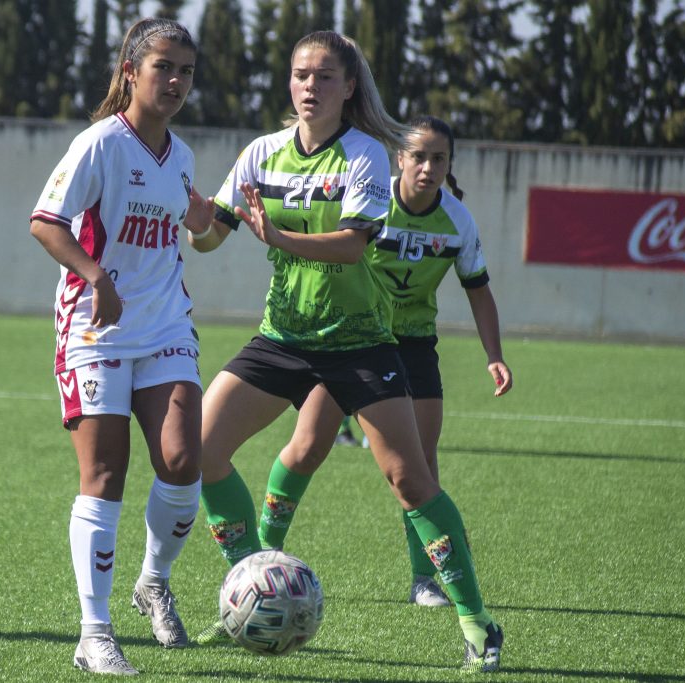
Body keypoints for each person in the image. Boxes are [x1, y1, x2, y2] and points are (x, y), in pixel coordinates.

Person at [185, 31, 504, 673]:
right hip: (282, 337)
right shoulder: (261, 153)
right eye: (301, 75)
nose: (310, 86)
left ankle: (478, 624)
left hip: (359, 345)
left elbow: (355, 246)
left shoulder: (363, 155)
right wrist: (171, 187)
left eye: (325, 77)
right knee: (198, 450)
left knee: (410, 481)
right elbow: (209, 238)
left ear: (349, 87)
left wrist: (275, 234)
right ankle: (251, 590)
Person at [254, 115, 513, 614]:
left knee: (420, 467)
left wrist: (494, 356)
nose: (428, 167)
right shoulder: (373, 201)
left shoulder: (457, 220)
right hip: (355, 339)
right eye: (419, 156)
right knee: (307, 447)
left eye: (439, 158)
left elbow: (479, 292)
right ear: (400, 159)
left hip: (413, 347)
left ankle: (424, 580)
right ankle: (262, 555)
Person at [28, 17, 215, 676]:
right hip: (96, 329)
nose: (175, 81)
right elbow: (44, 223)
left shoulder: (182, 156)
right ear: (131, 71)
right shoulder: (99, 144)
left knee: (184, 459)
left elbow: (198, 223)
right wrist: (96, 275)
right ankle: (95, 631)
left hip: (164, 326)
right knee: (105, 476)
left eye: (186, 71)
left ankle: (153, 581)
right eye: (163, 66)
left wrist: (235, 218)